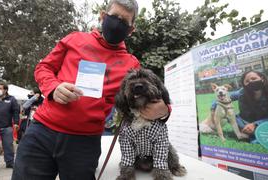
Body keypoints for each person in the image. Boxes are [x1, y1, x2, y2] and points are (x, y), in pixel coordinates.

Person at [12, 0, 170, 179]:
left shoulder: (131, 64)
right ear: (103, 16)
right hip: (42, 132)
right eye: (114, 17)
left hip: (84, 142)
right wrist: (53, 87)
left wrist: (165, 110)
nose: (117, 23)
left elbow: (149, 95)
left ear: (131, 29)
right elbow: (43, 67)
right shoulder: (75, 39)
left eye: (124, 21)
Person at [211, 70, 268, 143]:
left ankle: (253, 135)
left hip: (266, 123)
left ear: (262, 79)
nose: (251, 82)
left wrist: (255, 124)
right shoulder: (242, 92)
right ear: (244, 84)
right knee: (230, 116)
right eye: (247, 81)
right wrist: (213, 110)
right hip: (245, 122)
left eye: (254, 79)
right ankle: (252, 134)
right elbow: (223, 97)